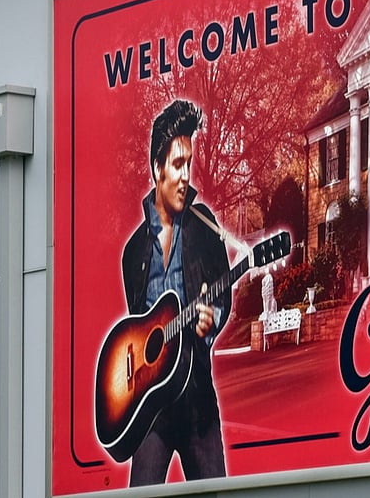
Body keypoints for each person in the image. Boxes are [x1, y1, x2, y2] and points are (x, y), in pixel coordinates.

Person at [120, 100, 231, 485]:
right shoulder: (133, 252)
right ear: (157, 168)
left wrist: (210, 319)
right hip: (151, 410)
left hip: (197, 396)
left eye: (189, 163)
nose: (186, 175)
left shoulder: (205, 227)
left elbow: (223, 296)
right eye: (177, 164)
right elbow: (134, 329)